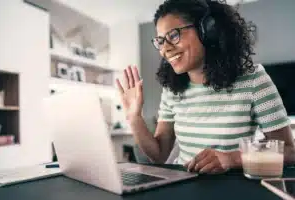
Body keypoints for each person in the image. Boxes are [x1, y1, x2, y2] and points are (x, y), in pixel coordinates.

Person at [116, 0, 295, 174]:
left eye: (173, 35)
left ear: (207, 30)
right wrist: (134, 118)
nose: (165, 49)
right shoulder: (172, 89)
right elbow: (160, 155)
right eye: (161, 41)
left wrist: (232, 159)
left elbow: (289, 152)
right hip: (182, 186)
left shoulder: (253, 79)